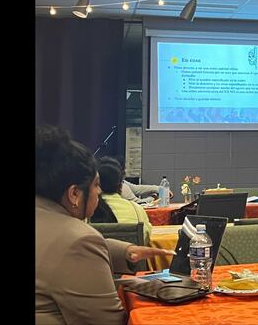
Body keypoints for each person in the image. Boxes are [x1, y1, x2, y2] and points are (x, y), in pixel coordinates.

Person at [36, 125, 173, 324]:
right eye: (96, 184)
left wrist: (126, 252)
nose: (99, 192)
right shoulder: (77, 241)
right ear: (74, 194)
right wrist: (126, 287)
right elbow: (107, 320)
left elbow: (55, 251)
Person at [93, 156, 153, 245]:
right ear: (121, 185)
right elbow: (146, 238)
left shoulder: (87, 212)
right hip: (133, 253)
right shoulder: (137, 210)